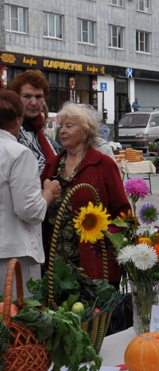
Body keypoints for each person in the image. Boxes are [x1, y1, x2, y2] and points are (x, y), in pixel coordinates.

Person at [41, 102, 130, 285]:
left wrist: (108, 240)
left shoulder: (103, 164)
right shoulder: (52, 165)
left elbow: (122, 212)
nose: (62, 131)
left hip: (92, 261)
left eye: (69, 126)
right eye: (61, 126)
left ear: (85, 133)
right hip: (55, 263)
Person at [0, 90, 61, 295]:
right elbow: (30, 211)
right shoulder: (18, 153)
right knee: (17, 319)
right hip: (13, 255)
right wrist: (49, 192)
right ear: (19, 118)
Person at [9, 70, 57, 173]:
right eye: (27, 96)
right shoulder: (10, 132)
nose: (34, 103)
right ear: (16, 98)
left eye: (39, 97)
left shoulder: (39, 129)